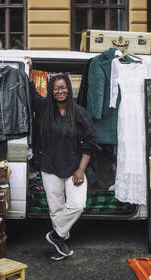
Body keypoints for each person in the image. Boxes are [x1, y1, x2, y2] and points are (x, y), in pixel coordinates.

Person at [25, 56, 98, 261]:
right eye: (56, 88)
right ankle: (61, 244)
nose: (60, 91)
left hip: (75, 167)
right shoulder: (43, 109)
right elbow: (31, 92)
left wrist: (81, 169)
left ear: (69, 88)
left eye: (63, 87)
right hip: (49, 166)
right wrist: (30, 70)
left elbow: (90, 142)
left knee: (77, 205)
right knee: (56, 208)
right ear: (51, 90)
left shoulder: (80, 113)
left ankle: (56, 235)